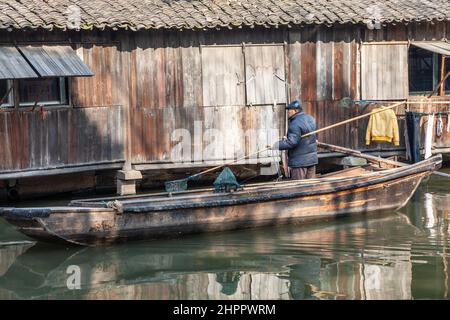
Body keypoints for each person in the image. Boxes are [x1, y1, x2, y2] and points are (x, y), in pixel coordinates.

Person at [272, 100, 318, 180]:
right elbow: (311, 136)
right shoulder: (311, 119)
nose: (288, 112)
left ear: (296, 111)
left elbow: (292, 142)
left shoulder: (295, 123)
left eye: (290, 110)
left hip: (299, 162)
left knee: (299, 187)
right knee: (311, 186)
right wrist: (288, 139)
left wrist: (277, 145)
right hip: (312, 159)